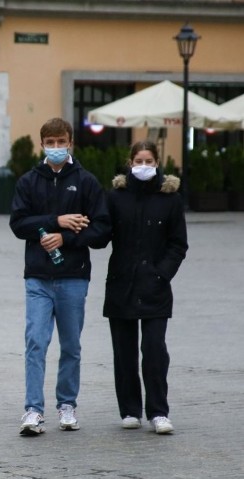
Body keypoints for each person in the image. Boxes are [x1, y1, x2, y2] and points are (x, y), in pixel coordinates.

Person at [9, 118, 111, 436]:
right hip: (38, 277)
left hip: (73, 277)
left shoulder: (86, 182)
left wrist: (66, 238)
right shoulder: (29, 181)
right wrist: (58, 221)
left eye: (60, 141)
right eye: (50, 142)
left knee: (71, 345)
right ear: (42, 145)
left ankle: (67, 404)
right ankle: (33, 410)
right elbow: (18, 223)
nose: (55, 147)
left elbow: (102, 230)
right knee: (35, 342)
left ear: (71, 143)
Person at [103, 141, 188, 434]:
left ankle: (158, 411)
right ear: (130, 163)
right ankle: (129, 410)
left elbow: (178, 244)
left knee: (154, 350)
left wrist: (161, 273)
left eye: (148, 160)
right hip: (121, 285)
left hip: (155, 287)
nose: (143, 165)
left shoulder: (171, 199)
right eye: (138, 160)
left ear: (157, 162)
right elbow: (102, 233)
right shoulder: (116, 197)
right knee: (123, 352)